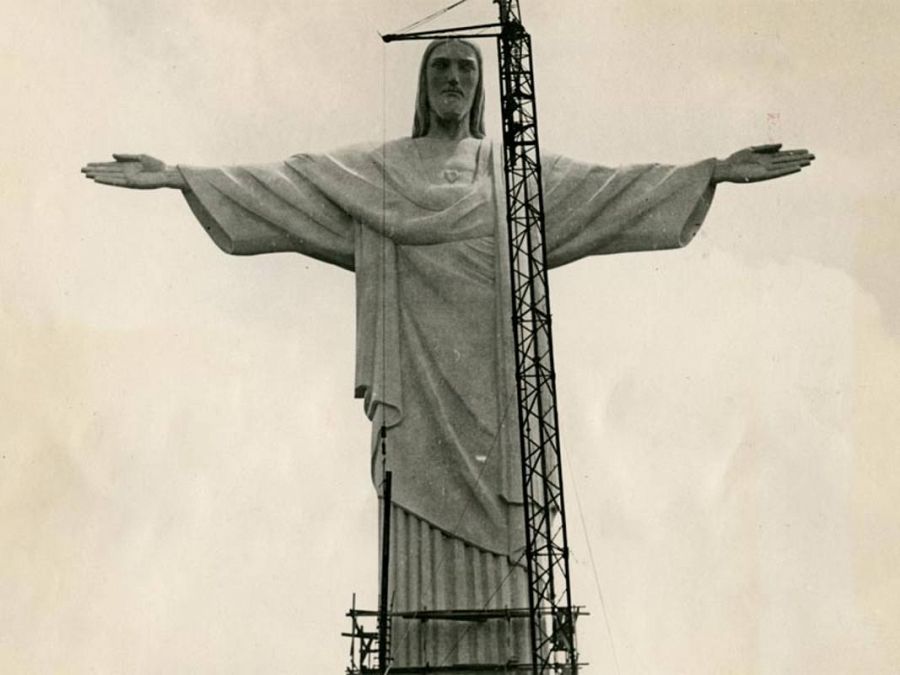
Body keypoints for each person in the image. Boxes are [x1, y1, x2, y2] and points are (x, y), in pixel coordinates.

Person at [82, 38, 814, 672]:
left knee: (510, 511)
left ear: (481, 88)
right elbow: (294, 184)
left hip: (497, 388)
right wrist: (183, 176)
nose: (455, 80)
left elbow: (609, 190)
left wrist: (709, 171)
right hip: (419, 393)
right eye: (442, 69)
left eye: (467, 68)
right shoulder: (382, 172)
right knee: (417, 516)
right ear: (423, 86)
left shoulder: (513, 176)